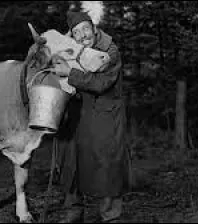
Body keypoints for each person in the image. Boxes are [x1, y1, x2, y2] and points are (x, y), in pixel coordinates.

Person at [50, 11, 133, 223]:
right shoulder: (71, 49)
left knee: (107, 165)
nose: (83, 35)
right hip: (78, 115)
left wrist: (70, 73)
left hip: (105, 116)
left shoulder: (109, 50)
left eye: (85, 28)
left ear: (94, 28)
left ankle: (110, 216)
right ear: (72, 35)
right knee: (71, 162)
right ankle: (73, 211)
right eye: (76, 32)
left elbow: (101, 83)